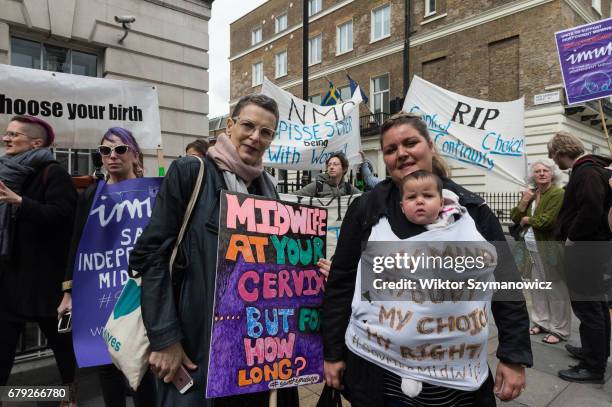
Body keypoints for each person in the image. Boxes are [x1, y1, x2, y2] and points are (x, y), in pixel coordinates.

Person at [129, 94, 329, 406]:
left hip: (251, 350)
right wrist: (166, 337)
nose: (255, 137)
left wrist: (310, 270)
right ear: (230, 125)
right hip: (197, 342)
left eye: (266, 132)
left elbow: (277, 266)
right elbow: (150, 255)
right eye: (248, 126)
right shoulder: (191, 173)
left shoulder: (269, 190)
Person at [322, 112, 533, 406]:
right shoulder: (366, 209)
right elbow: (341, 282)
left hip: (456, 383)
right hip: (376, 375)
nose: (402, 154)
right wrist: (332, 352)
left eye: (411, 143)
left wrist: (513, 355)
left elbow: (506, 285)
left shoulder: (474, 210)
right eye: (391, 150)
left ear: (430, 146)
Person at [57, 127, 155, 407]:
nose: (112, 156)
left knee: (141, 361)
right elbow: (77, 243)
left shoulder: (152, 192)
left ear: (135, 155)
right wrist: (68, 292)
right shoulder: (91, 195)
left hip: (139, 289)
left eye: (120, 149)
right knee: (105, 361)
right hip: (100, 288)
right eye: (105, 150)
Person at [0, 115, 78, 405]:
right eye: (6, 133)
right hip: (11, 277)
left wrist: (21, 202)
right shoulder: (6, 171)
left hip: (48, 282)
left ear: (36, 142)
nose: (6, 139)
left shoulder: (52, 172)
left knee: (62, 343)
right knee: (3, 346)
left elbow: (64, 217)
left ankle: (68, 394)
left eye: (14, 135)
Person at [547, 131, 612, 384]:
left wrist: (573, 237)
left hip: (585, 250)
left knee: (588, 308)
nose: (554, 162)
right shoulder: (594, 168)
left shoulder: (586, 172)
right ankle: (595, 352)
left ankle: (593, 367)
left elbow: (591, 209)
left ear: (562, 152)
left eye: (554, 156)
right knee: (595, 305)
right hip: (594, 249)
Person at [510, 159, 569, 344]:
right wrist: (524, 201)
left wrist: (526, 219)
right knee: (536, 289)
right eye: (537, 171)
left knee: (555, 289)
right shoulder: (531, 194)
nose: (542, 173)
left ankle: (559, 330)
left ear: (552, 174)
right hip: (529, 248)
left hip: (550, 249)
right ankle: (541, 322)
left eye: (545, 170)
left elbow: (547, 221)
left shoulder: (558, 193)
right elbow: (514, 217)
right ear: (533, 176)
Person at [295, 152, 360, 197]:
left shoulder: (348, 188)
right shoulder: (317, 186)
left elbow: (366, 198)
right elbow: (292, 197)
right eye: (329, 165)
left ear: (344, 168)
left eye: (335, 164)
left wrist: (364, 163)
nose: (331, 167)